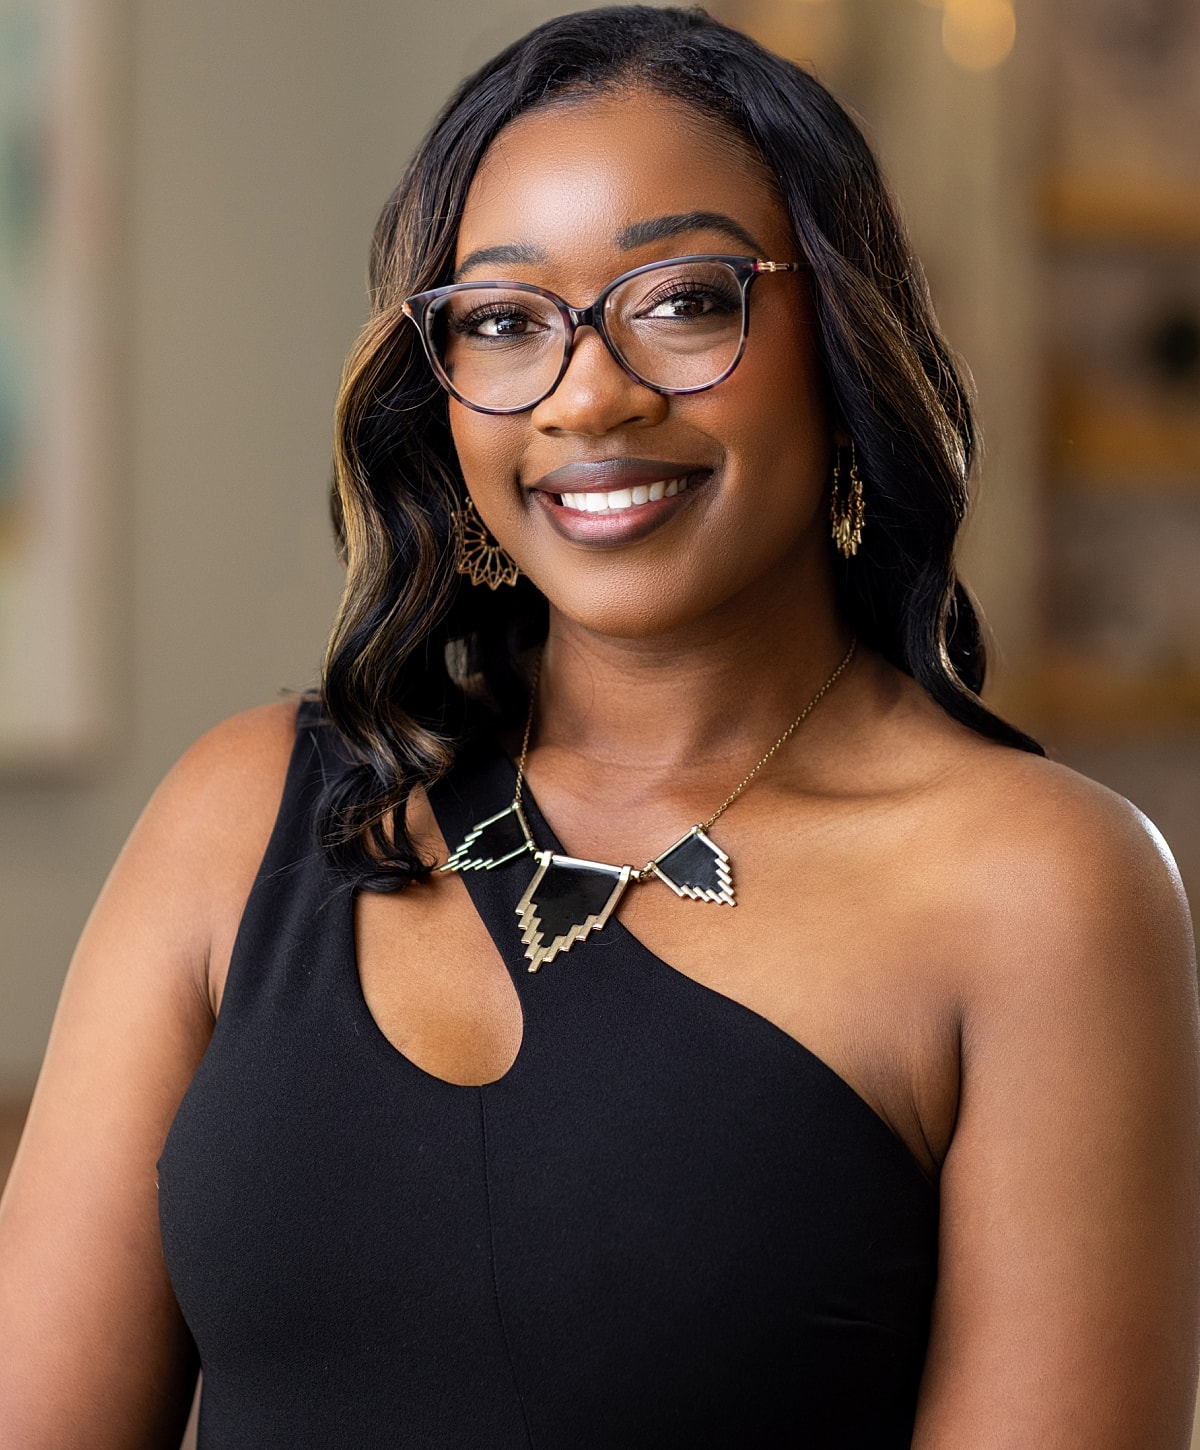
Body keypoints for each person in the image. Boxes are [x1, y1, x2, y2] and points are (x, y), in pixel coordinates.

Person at [2, 6, 1198, 1446]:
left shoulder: (1042, 890)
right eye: (505, 323)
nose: (591, 395)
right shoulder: (245, 815)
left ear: (839, 334)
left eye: (686, 299)